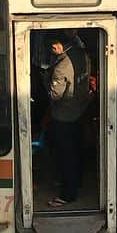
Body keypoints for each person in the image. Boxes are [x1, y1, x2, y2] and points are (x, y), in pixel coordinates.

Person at [45, 36, 83, 206]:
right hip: (79, 113)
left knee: (65, 155)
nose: (51, 50)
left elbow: (55, 94)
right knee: (75, 153)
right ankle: (75, 184)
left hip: (63, 116)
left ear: (58, 45)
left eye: (51, 47)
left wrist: (46, 82)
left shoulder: (61, 67)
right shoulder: (81, 57)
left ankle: (67, 193)